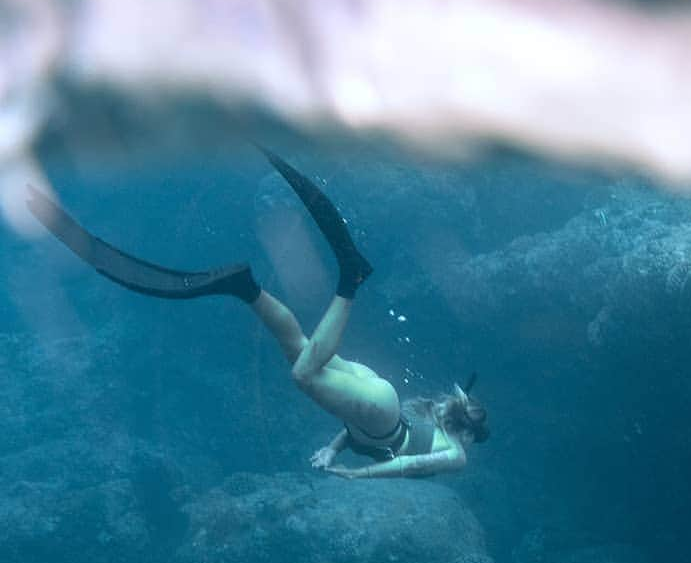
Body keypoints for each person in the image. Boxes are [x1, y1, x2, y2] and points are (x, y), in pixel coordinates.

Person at [26, 149, 488, 479]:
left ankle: (243, 287)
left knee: (298, 352)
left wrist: (331, 449)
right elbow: (407, 464)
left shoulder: (436, 419)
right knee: (303, 376)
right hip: (381, 415)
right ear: (469, 436)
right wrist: (353, 476)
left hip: (377, 403)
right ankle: (352, 279)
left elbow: (355, 432)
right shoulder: (456, 456)